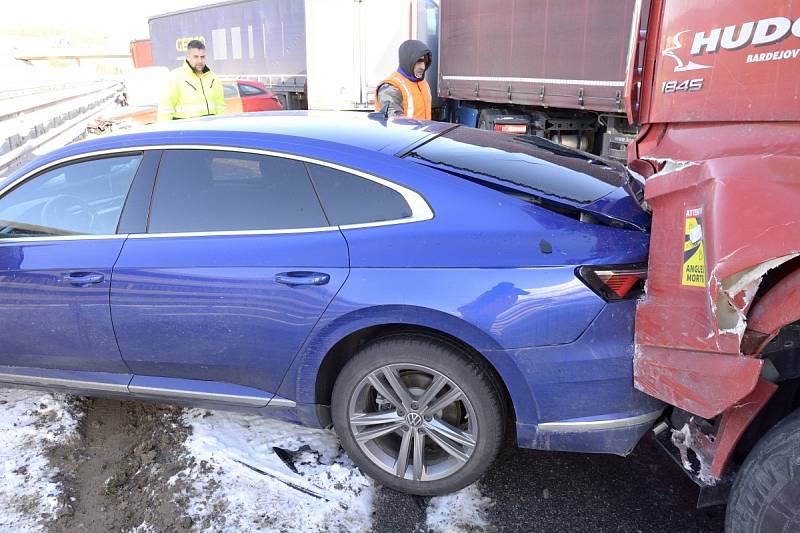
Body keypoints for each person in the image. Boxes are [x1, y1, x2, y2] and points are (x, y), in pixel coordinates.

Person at [157, 40, 225, 121]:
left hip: (210, 130)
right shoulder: (175, 77)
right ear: (188, 57)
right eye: (196, 57)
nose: (200, 61)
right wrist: (166, 131)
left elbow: (220, 107)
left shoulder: (214, 79)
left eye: (202, 57)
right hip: (186, 131)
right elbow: (165, 110)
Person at [375, 39, 432, 119]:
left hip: (424, 131)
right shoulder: (391, 86)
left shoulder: (423, 83)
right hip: (405, 132)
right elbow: (393, 122)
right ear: (407, 61)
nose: (423, 66)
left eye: (425, 61)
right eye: (419, 61)